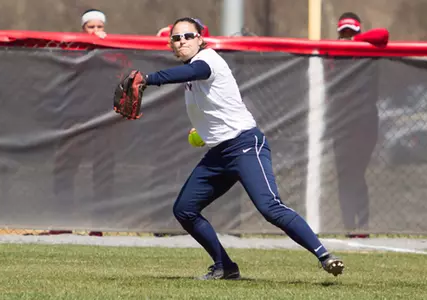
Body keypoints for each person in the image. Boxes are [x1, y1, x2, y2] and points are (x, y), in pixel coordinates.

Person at [125, 17, 344, 280]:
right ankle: (225, 266)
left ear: (200, 39)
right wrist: (203, 132)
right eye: (176, 38)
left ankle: (325, 256)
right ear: (171, 45)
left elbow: (196, 72)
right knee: (184, 209)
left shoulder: (208, 60)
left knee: (269, 207)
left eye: (188, 35)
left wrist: (149, 79)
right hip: (220, 152)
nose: (182, 41)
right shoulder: (191, 73)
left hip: (245, 144)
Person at [48, 9, 114, 237]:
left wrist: (104, 50)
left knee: (103, 174)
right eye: (91, 27)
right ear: (83, 29)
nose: (96, 31)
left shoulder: (115, 52)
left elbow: (125, 72)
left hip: (106, 123)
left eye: (99, 27)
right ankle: (61, 224)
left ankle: (99, 227)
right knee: (64, 171)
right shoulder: (73, 52)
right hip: (74, 121)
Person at [326, 12, 388, 236]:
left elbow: (383, 35)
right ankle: (349, 226)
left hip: (364, 122)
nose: (347, 38)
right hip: (340, 123)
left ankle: (362, 225)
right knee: (345, 174)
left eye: (352, 33)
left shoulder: (367, 53)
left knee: (356, 173)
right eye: (344, 34)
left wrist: (356, 42)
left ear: (359, 33)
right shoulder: (333, 56)